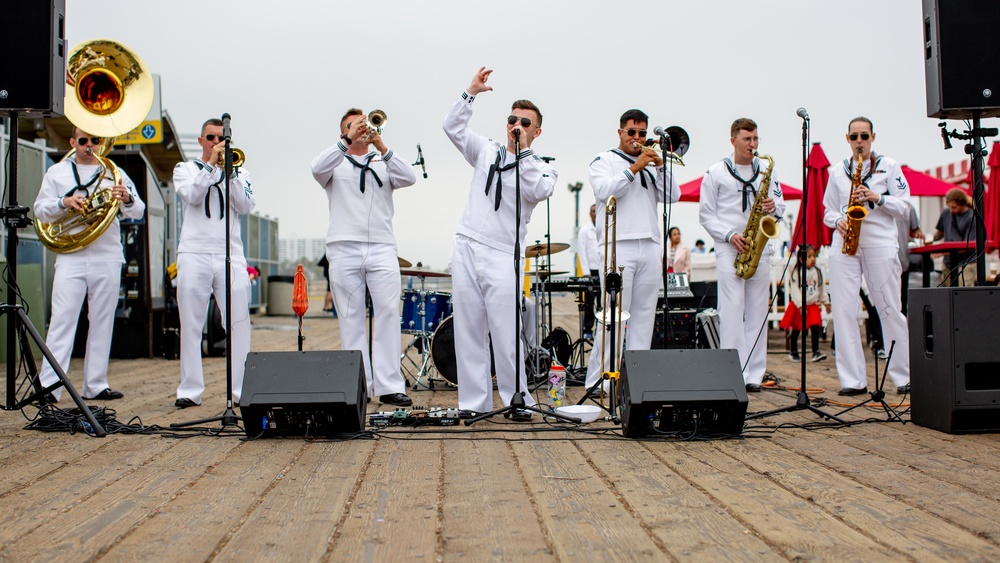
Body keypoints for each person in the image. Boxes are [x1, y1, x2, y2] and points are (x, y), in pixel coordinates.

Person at [443, 67, 556, 419]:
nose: (516, 126)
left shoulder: (541, 166)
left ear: (536, 131)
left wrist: (522, 153)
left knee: (506, 333)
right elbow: (452, 128)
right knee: (468, 329)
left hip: (503, 254)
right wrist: (470, 93)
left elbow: (540, 190)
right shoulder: (486, 150)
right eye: (512, 120)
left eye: (524, 122)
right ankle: (472, 404)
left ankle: (516, 400)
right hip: (467, 245)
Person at [311, 108, 417, 407]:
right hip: (343, 247)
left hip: (382, 247)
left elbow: (409, 177)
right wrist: (346, 140)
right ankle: (358, 385)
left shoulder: (383, 161)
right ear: (343, 131)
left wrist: (381, 146)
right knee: (350, 318)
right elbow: (316, 168)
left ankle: (388, 385)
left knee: (386, 314)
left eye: (363, 125)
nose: (361, 129)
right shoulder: (334, 160)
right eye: (353, 126)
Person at [34, 126, 145, 402]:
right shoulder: (57, 172)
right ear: (73, 142)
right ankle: (50, 386)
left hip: (106, 256)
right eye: (83, 140)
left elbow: (139, 210)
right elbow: (40, 209)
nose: (89, 145)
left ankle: (95, 384)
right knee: (61, 321)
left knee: (102, 322)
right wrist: (65, 202)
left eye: (94, 140)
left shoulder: (113, 172)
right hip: (71, 256)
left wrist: (127, 197)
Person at [584, 108, 680, 390]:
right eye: (632, 132)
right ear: (620, 132)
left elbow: (673, 196)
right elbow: (605, 191)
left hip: (650, 243)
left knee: (644, 317)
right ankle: (601, 383)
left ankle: (637, 383)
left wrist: (660, 166)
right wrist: (636, 166)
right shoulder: (604, 160)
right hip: (618, 245)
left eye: (642, 133)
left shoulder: (652, 164)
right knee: (612, 316)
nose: (637, 138)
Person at [823, 116, 911, 396]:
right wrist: (837, 220)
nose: (859, 142)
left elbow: (906, 206)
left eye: (864, 136)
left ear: (873, 137)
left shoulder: (890, 166)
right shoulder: (837, 171)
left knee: (889, 309)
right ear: (847, 139)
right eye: (854, 137)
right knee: (844, 312)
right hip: (845, 243)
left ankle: (903, 377)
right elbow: (826, 211)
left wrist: (877, 197)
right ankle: (852, 380)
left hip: (880, 242)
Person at [172, 118, 256, 408]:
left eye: (222, 139)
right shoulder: (184, 169)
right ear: (201, 141)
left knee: (238, 322)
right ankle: (190, 389)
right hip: (194, 253)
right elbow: (192, 195)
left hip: (230, 253)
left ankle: (240, 389)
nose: (216, 143)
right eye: (211, 138)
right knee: (191, 323)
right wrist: (210, 165)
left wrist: (229, 173)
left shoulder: (240, 171)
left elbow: (245, 206)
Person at [699, 118, 786, 392]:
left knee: (758, 311)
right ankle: (733, 370)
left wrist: (775, 207)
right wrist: (728, 235)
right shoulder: (715, 172)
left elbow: (780, 206)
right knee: (732, 310)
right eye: (747, 139)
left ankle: (755, 375)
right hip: (729, 246)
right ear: (733, 140)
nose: (753, 144)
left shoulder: (766, 172)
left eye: (756, 139)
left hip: (758, 246)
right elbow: (705, 215)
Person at [780, 245, 829, 362]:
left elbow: (821, 288)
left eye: (814, 256)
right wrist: (800, 305)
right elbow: (795, 291)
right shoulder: (797, 273)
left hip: (812, 305)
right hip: (799, 305)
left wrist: (826, 302)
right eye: (809, 257)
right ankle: (793, 351)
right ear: (802, 259)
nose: (813, 259)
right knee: (797, 328)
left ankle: (816, 351)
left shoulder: (817, 272)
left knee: (815, 326)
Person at [933, 188, 976, 287]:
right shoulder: (946, 213)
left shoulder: (971, 218)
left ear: (962, 204)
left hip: (966, 261)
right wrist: (929, 239)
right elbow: (940, 232)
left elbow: (968, 246)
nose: (951, 210)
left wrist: (940, 253)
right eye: (950, 207)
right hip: (948, 262)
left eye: (954, 207)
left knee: (963, 293)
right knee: (948, 293)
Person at [576, 203, 600, 336]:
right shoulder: (585, 230)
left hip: (603, 270)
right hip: (590, 271)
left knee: (603, 302)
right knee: (589, 303)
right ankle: (588, 329)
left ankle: (600, 329)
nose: (595, 213)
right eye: (593, 211)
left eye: (597, 211)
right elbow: (582, 252)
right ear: (590, 213)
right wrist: (586, 272)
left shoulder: (606, 228)